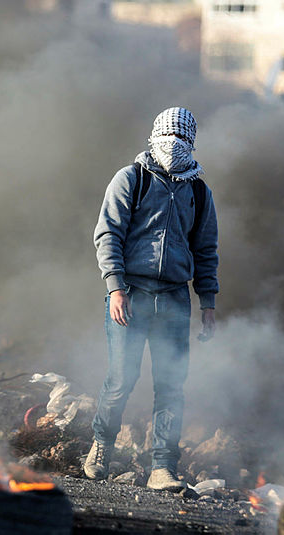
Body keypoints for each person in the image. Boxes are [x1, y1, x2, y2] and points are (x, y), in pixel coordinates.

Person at [85, 107, 219, 491]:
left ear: (192, 143)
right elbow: (108, 233)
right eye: (167, 136)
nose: (173, 145)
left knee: (172, 385)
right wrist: (114, 287)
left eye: (182, 138)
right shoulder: (132, 179)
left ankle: (163, 468)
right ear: (154, 136)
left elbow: (206, 249)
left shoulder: (198, 191)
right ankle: (102, 446)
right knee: (121, 380)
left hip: (175, 299)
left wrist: (207, 303)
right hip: (130, 296)